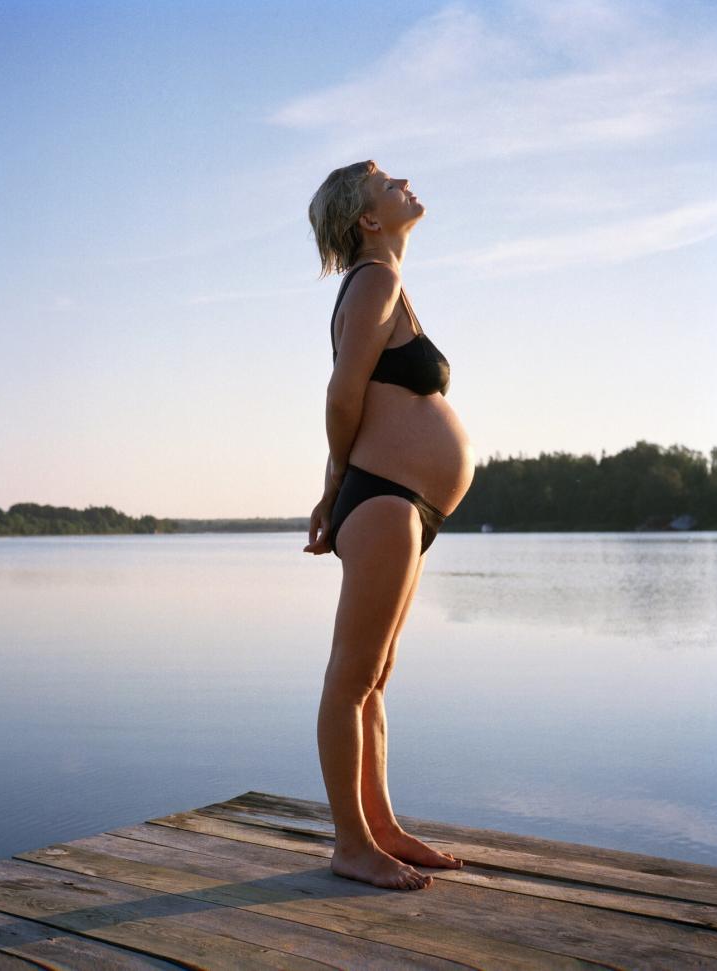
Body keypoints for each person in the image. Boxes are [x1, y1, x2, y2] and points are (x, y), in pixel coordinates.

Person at [304, 160, 476, 891]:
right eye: (383, 179)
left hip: (403, 502)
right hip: (383, 499)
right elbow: (343, 393)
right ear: (368, 218)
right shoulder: (374, 280)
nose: (402, 179)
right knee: (351, 678)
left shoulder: (388, 282)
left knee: (375, 678)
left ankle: (384, 827)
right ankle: (351, 842)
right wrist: (335, 484)